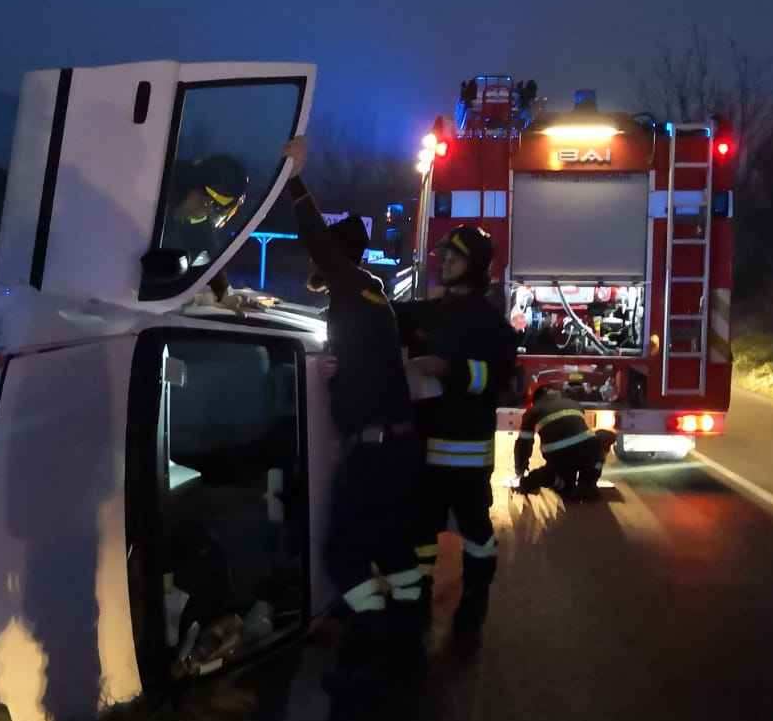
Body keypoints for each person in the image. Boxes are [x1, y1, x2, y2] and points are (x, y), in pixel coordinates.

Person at [282, 135, 428, 689]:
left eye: (321, 268)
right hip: (395, 444)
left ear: (337, 261)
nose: (315, 275)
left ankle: (369, 645)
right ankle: (409, 636)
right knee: (393, 549)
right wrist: (341, 374)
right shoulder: (370, 297)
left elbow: (316, 239)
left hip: (375, 449)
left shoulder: (348, 284)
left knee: (343, 552)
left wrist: (294, 179)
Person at [395, 224, 518, 649]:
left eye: (455, 256)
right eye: (444, 255)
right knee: (420, 534)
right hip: (425, 449)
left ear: (476, 266)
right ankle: (417, 609)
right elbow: (384, 315)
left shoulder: (492, 326)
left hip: (466, 453)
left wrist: (451, 370)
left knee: (476, 535)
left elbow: (500, 379)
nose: (444, 261)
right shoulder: (430, 312)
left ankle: (473, 609)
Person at [166, 155, 248, 307]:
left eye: (215, 207)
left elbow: (209, 256)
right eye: (207, 200)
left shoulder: (197, 226)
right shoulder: (157, 212)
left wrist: (224, 294)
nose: (207, 209)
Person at [514, 389, 615, 501]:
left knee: (565, 488)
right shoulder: (574, 404)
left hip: (560, 458)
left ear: (535, 400)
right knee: (597, 446)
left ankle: (547, 478)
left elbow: (523, 444)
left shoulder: (532, 411)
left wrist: (520, 470)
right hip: (588, 451)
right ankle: (587, 484)